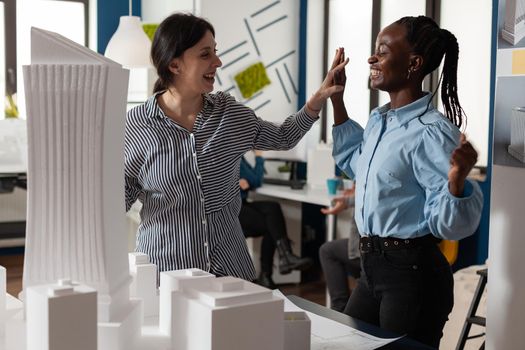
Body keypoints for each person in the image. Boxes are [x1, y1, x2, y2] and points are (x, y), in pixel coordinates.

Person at [124, 13, 347, 283]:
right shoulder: (136, 125)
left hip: (230, 275)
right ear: (174, 65)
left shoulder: (229, 115)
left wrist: (317, 99)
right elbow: (115, 202)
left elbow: (284, 137)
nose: (217, 62)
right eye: (205, 54)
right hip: (165, 277)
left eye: (215, 52)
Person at [329, 16, 483, 348]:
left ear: (414, 64)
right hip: (373, 267)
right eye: (374, 51)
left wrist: (456, 183)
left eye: (382, 52)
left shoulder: (431, 132)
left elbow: (453, 225)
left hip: (412, 275)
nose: (372, 59)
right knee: (349, 341)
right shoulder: (379, 121)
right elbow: (356, 163)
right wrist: (337, 100)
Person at [239, 151, 313, 289]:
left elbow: (254, 180)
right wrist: (260, 157)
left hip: (242, 203)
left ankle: (284, 259)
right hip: (230, 209)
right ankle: (271, 270)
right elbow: (255, 179)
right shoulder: (231, 152)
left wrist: (248, 178)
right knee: (272, 226)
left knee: (272, 208)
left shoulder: (239, 155)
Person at [319, 187, 361, 312]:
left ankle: (339, 309)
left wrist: (349, 201)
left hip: (372, 250)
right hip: (367, 246)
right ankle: (340, 309)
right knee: (328, 249)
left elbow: (373, 195)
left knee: (328, 251)